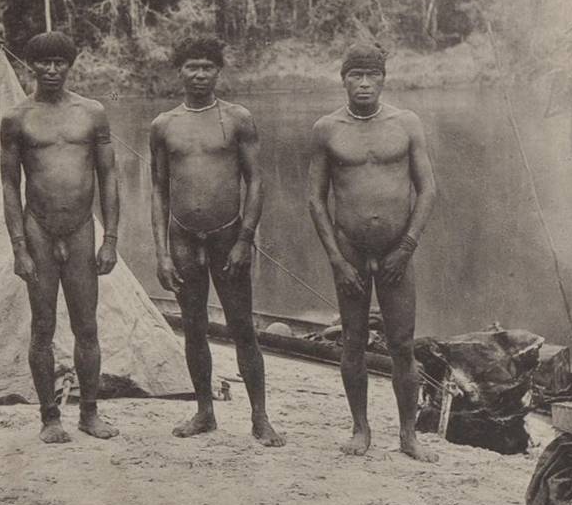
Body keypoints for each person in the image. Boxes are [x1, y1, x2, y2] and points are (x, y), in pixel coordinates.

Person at [149, 35, 283, 447]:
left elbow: (256, 181)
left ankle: (260, 417)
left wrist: (245, 238)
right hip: (183, 238)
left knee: (243, 327)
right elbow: (158, 190)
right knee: (193, 327)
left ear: (219, 71)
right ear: (179, 71)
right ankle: (204, 412)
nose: (199, 74)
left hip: (229, 235)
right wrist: (162, 253)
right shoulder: (164, 125)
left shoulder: (238, 118)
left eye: (207, 67)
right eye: (192, 67)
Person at [307, 42, 439, 462]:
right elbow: (315, 199)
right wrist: (336, 260)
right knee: (353, 340)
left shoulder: (406, 123)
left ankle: (408, 435)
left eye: (372, 75)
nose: (364, 84)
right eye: (355, 75)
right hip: (349, 249)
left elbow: (427, 189)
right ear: (343, 80)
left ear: (384, 79)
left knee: (402, 343)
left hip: (398, 248)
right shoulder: (327, 129)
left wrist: (408, 245)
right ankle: (360, 428)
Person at [0, 31, 120, 444]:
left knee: (87, 326)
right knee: (42, 326)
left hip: (82, 228)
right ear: (31, 66)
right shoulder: (17, 118)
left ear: (70, 65)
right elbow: (9, 184)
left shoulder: (92, 112)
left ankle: (89, 413)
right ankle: (49, 417)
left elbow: (108, 175)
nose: (51, 70)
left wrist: (111, 239)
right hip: (38, 229)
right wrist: (19, 246)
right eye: (44, 63)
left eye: (59, 63)